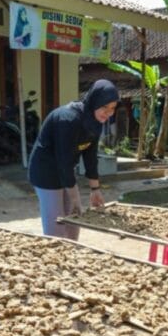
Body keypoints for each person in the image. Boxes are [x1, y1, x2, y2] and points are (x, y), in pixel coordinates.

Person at [28, 79, 119, 240]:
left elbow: (90, 156)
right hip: (46, 172)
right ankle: (55, 261)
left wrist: (95, 189)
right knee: (57, 228)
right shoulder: (68, 119)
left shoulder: (96, 120)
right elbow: (64, 161)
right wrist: (75, 197)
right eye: (105, 107)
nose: (108, 113)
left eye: (112, 108)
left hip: (66, 170)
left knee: (74, 224)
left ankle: (71, 260)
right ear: (94, 100)